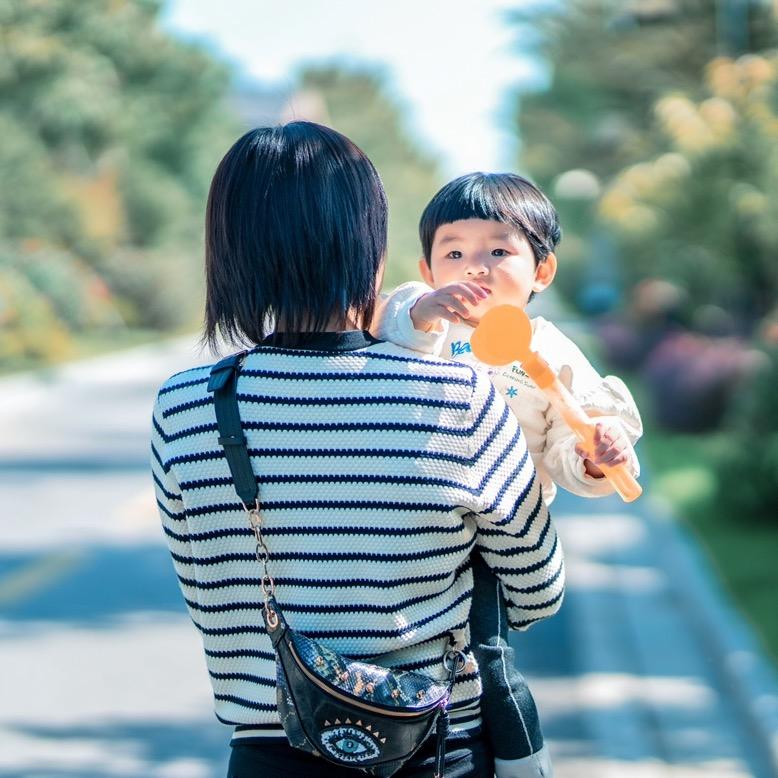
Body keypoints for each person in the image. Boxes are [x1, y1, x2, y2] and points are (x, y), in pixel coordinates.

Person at [150, 123, 566, 778]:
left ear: (227, 253)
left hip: (267, 755)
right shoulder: (457, 397)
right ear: (367, 246)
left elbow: (209, 593)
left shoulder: (184, 407)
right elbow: (538, 592)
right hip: (432, 751)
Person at [373, 172, 643, 778]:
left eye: (499, 250)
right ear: (428, 264)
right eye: (455, 252)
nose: (475, 266)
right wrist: (420, 311)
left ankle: (525, 764)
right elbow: (381, 325)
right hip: (408, 523)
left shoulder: (549, 352)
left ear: (541, 272)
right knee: (396, 643)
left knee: (485, 659)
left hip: (497, 536)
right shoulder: (425, 321)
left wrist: (599, 456)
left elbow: (569, 445)